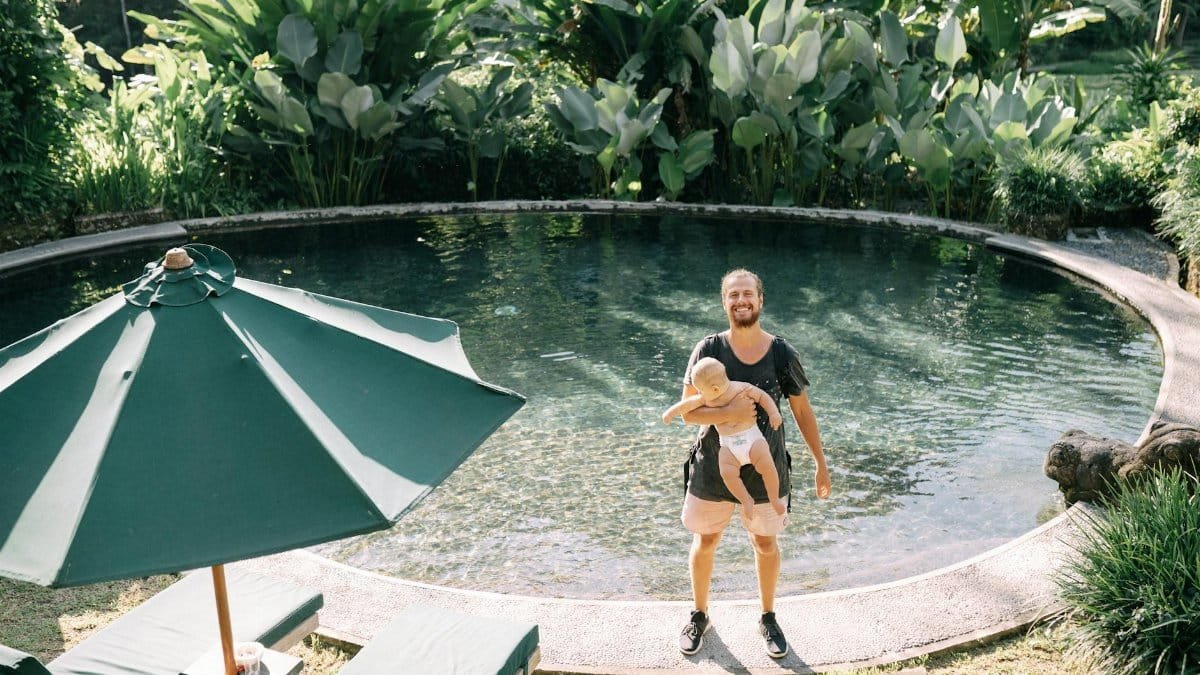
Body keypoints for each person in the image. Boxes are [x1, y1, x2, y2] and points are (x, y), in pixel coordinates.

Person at [674, 268, 831, 659]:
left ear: (761, 301)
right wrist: (730, 410)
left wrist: (820, 463)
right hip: (714, 465)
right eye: (733, 295)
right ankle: (699, 614)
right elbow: (688, 414)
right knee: (706, 540)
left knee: (765, 542)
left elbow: (802, 411)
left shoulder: (781, 353)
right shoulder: (707, 350)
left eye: (748, 294)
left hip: (766, 469)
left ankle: (768, 616)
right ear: (724, 302)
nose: (741, 301)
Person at [662, 357, 787, 518]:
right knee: (727, 472)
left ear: (714, 389)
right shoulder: (706, 397)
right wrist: (670, 413)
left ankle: (774, 498)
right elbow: (687, 405)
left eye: (700, 389)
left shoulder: (741, 389)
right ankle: (745, 499)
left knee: (767, 466)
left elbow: (762, 397)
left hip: (752, 439)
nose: (699, 393)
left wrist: (773, 413)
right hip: (728, 446)